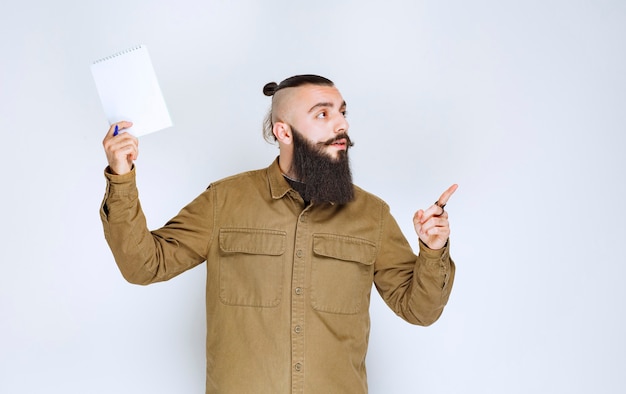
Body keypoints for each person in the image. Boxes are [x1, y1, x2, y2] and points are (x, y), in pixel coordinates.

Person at [100, 74, 457, 393]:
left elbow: (420, 311)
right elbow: (144, 265)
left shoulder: (372, 215)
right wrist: (122, 176)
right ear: (283, 131)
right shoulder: (224, 202)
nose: (341, 125)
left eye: (343, 112)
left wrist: (432, 249)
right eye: (323, 114)